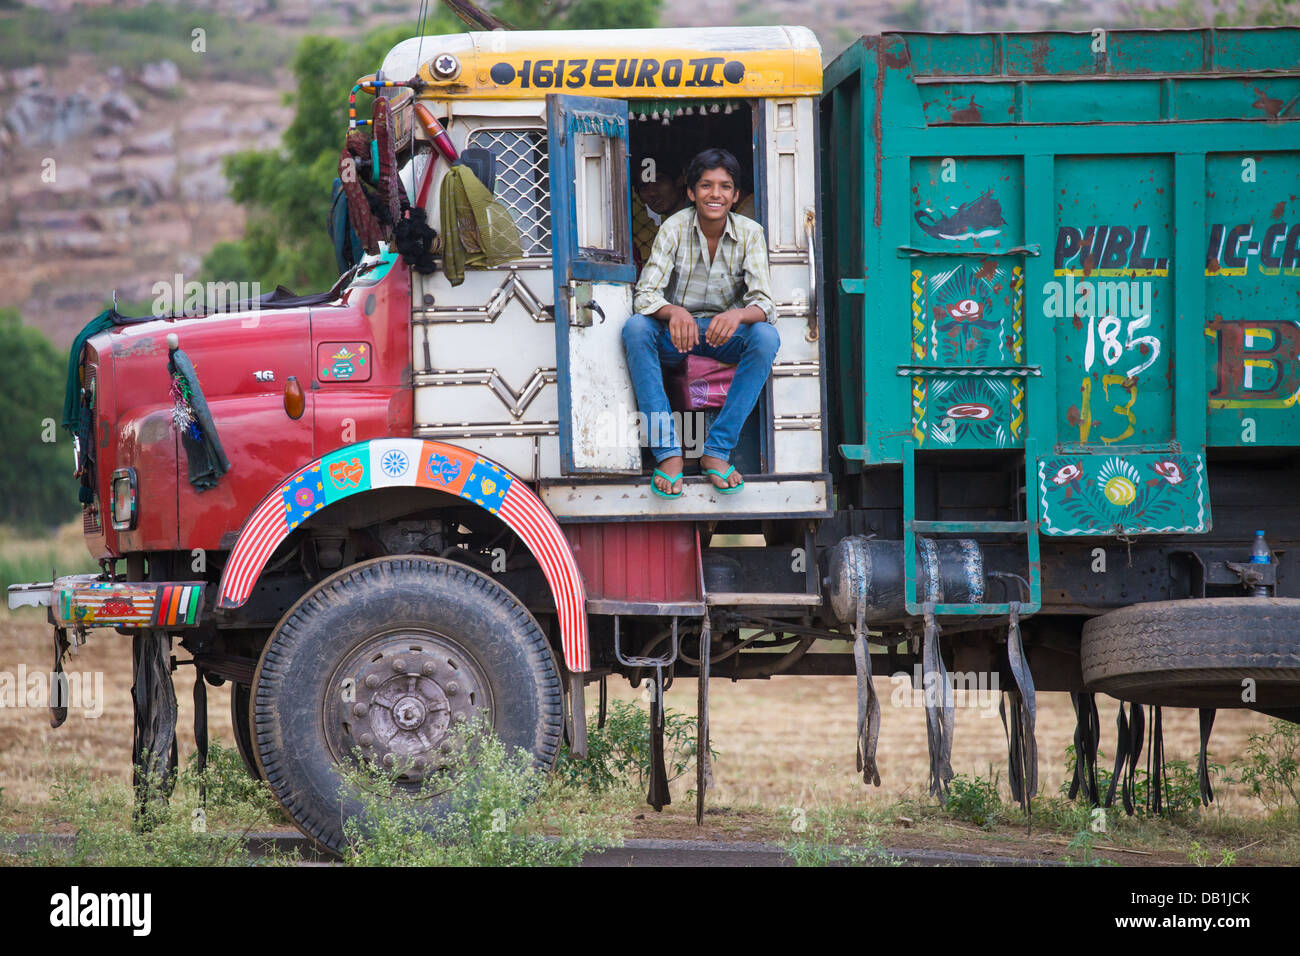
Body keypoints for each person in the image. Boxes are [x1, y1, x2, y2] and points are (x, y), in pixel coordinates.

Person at [622, 147, 780, 499]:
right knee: (636, 329)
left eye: (725, 187)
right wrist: (673, 312)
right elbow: (645, 295)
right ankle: (668, 453)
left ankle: (717, 451)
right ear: (691, 193)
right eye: (706, 186)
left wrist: (738, 314)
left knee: (766, 337)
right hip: (677, 335)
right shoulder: (673, 229)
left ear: (735, 195)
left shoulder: (751, 232)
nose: (715, 194)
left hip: (726, 333)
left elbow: (765, 304)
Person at [631, 147, 689, 267]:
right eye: (644, 187)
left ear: (680, 179)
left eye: (658, 180)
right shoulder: (667, 231)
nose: (652, 193)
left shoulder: (704, 223)